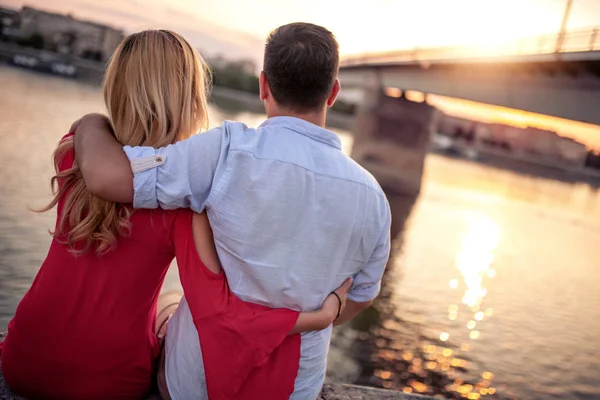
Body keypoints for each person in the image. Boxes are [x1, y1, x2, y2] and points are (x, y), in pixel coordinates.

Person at [0, 29, 350, 400]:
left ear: (117, 85)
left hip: (23, 360)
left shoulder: (72, 156)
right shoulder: (183, 203)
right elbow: (217, 311)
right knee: (173, 304)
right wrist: (320, 317)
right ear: (190, 98)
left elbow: (95, 139)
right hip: (107, 382)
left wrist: (90, 121)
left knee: (163, 301)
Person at [74, 22, 392, 400]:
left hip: (194, 382)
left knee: (170, 305)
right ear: (333, 93)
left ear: (263, 86)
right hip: (293, 390)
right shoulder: (373, 197)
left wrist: (90, 123)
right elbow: (361, 297)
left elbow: (114, 178)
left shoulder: (225, 151)